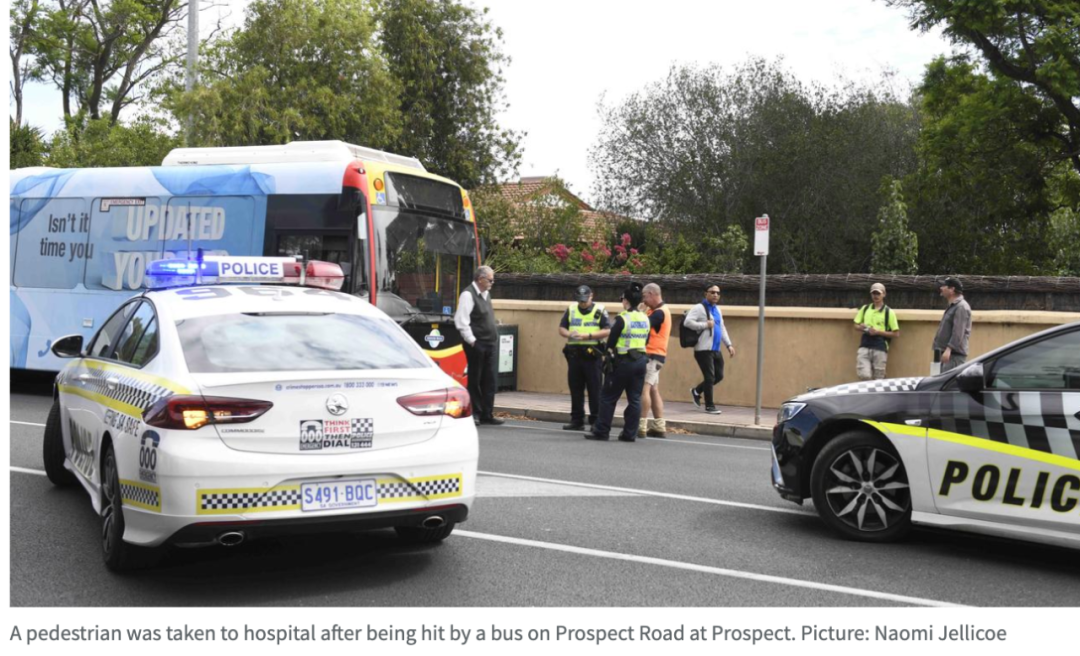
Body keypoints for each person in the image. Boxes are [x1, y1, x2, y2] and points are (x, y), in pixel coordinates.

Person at [586, 282, 650, 442]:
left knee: (608, 397)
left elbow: (611, 342)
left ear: (625, 300)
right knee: (635, 399)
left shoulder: (622, 318)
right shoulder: (645, 318)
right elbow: (646, 340)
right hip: (640, 362)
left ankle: (602, 431)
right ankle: (630, 434)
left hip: (623, 362)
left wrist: (607, 355)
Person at [454, 266, 504, 425]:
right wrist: (472, 341)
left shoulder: (486, 294)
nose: (492, 283)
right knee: (475, 379)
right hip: (477, 343)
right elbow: (461, 321)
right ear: (480, 279)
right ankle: (475, 413)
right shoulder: (468, 295)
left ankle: (487, 414)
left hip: (490, 343)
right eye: (490, 280)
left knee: (490, 380)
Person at [559, 285, 611, 431]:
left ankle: (595, 421)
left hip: (592, 355)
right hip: (574, 355)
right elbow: (561, 328)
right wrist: (569, 334)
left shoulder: (599, 310)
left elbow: (607, 330)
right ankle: (577, 420)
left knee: (595, 390)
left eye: (584, 300)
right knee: (575, 388)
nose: (582, 303)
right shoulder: (571, 309)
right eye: (580, 300)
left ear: (591, 296)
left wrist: (587, 336)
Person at [684, 284, 736, 414]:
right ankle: (709, 406)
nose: (715, 295)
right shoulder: (699, 308)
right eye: (712, 292)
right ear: (705, 294)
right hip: (703, 349)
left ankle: (696, 391)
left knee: (719, 376)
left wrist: (729, 345)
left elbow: (722, 328)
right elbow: (687, 322)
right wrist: (705, 325)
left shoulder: (717, 310)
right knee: (709, 377)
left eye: (718, 293)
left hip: (716, 349)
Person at [639, 283, 671, 438]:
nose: (643, 301)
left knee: (644, 389)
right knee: (653, 390)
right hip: (657, 356)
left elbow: (642, 326)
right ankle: (659, 425)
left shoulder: (659, 313)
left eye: (644, 296)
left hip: (652, 356)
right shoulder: (657, 311)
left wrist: (639, 312)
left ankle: (641, 425)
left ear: (652, 294)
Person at [853, 282, 900, 380]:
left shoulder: (889, 312)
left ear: (884, 294)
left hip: (880, 346)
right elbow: (855, 325)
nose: (876, 296)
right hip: (865, 344)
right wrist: (862, 327)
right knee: (864, 375)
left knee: (879, 377)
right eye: (874, 293)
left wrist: (878, 332)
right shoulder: (865, 308)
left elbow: (896, 333)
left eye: (878, 293)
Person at [933, 276, 972, 373]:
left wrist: (949, 350)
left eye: (944, 286)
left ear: (952, 289)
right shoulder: (954, 306)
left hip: (953, 356)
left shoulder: (961, 307)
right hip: (947, 355)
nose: (941, 288)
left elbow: (958, 332)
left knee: (949, 382)